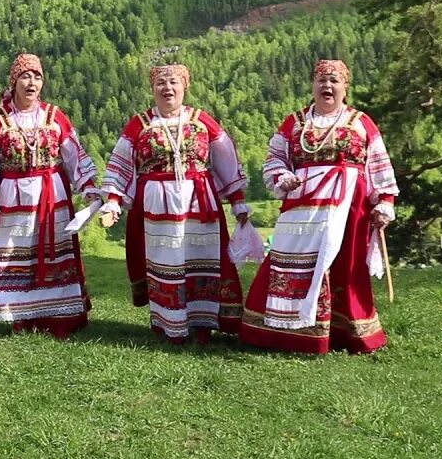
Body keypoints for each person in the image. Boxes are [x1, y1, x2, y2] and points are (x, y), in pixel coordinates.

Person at [240, 60, 398, 354]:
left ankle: (347, 333)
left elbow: (379, 163)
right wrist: (283, 177)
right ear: (312, 86)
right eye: (321, 81)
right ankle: (284, 331)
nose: (327, 86)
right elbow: (274, 159)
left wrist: (385, 201)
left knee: (346, 267)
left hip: (350, 207)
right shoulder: (294, 122)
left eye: (334, 81)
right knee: (289, 263)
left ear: (344, 87)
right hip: (304, 206)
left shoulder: (361, 122)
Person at [99, 64, 250, 345]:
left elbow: (226, 158)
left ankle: (203, 325)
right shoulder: (139, 124)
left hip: (198, 200)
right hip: (157, 204)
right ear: (152, 89)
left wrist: (238, 201)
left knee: (201, 260)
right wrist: (112, 200)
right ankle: (169, 325)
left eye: (173, 83)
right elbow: (120, 164)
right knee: (165, 263)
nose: (167, 88)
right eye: (161, 83)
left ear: (184, 87)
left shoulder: (202, 120)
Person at [0, 54, 101, 338]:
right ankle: (19, 316)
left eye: (37, 77)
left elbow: (74, 156)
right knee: (17, 254)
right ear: (14, 82)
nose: (32, 83)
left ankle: (59, 318)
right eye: (26, 77)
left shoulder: (55, 116)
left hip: (51, 195)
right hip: (13, 198)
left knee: (53, 252)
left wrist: (89, 187)